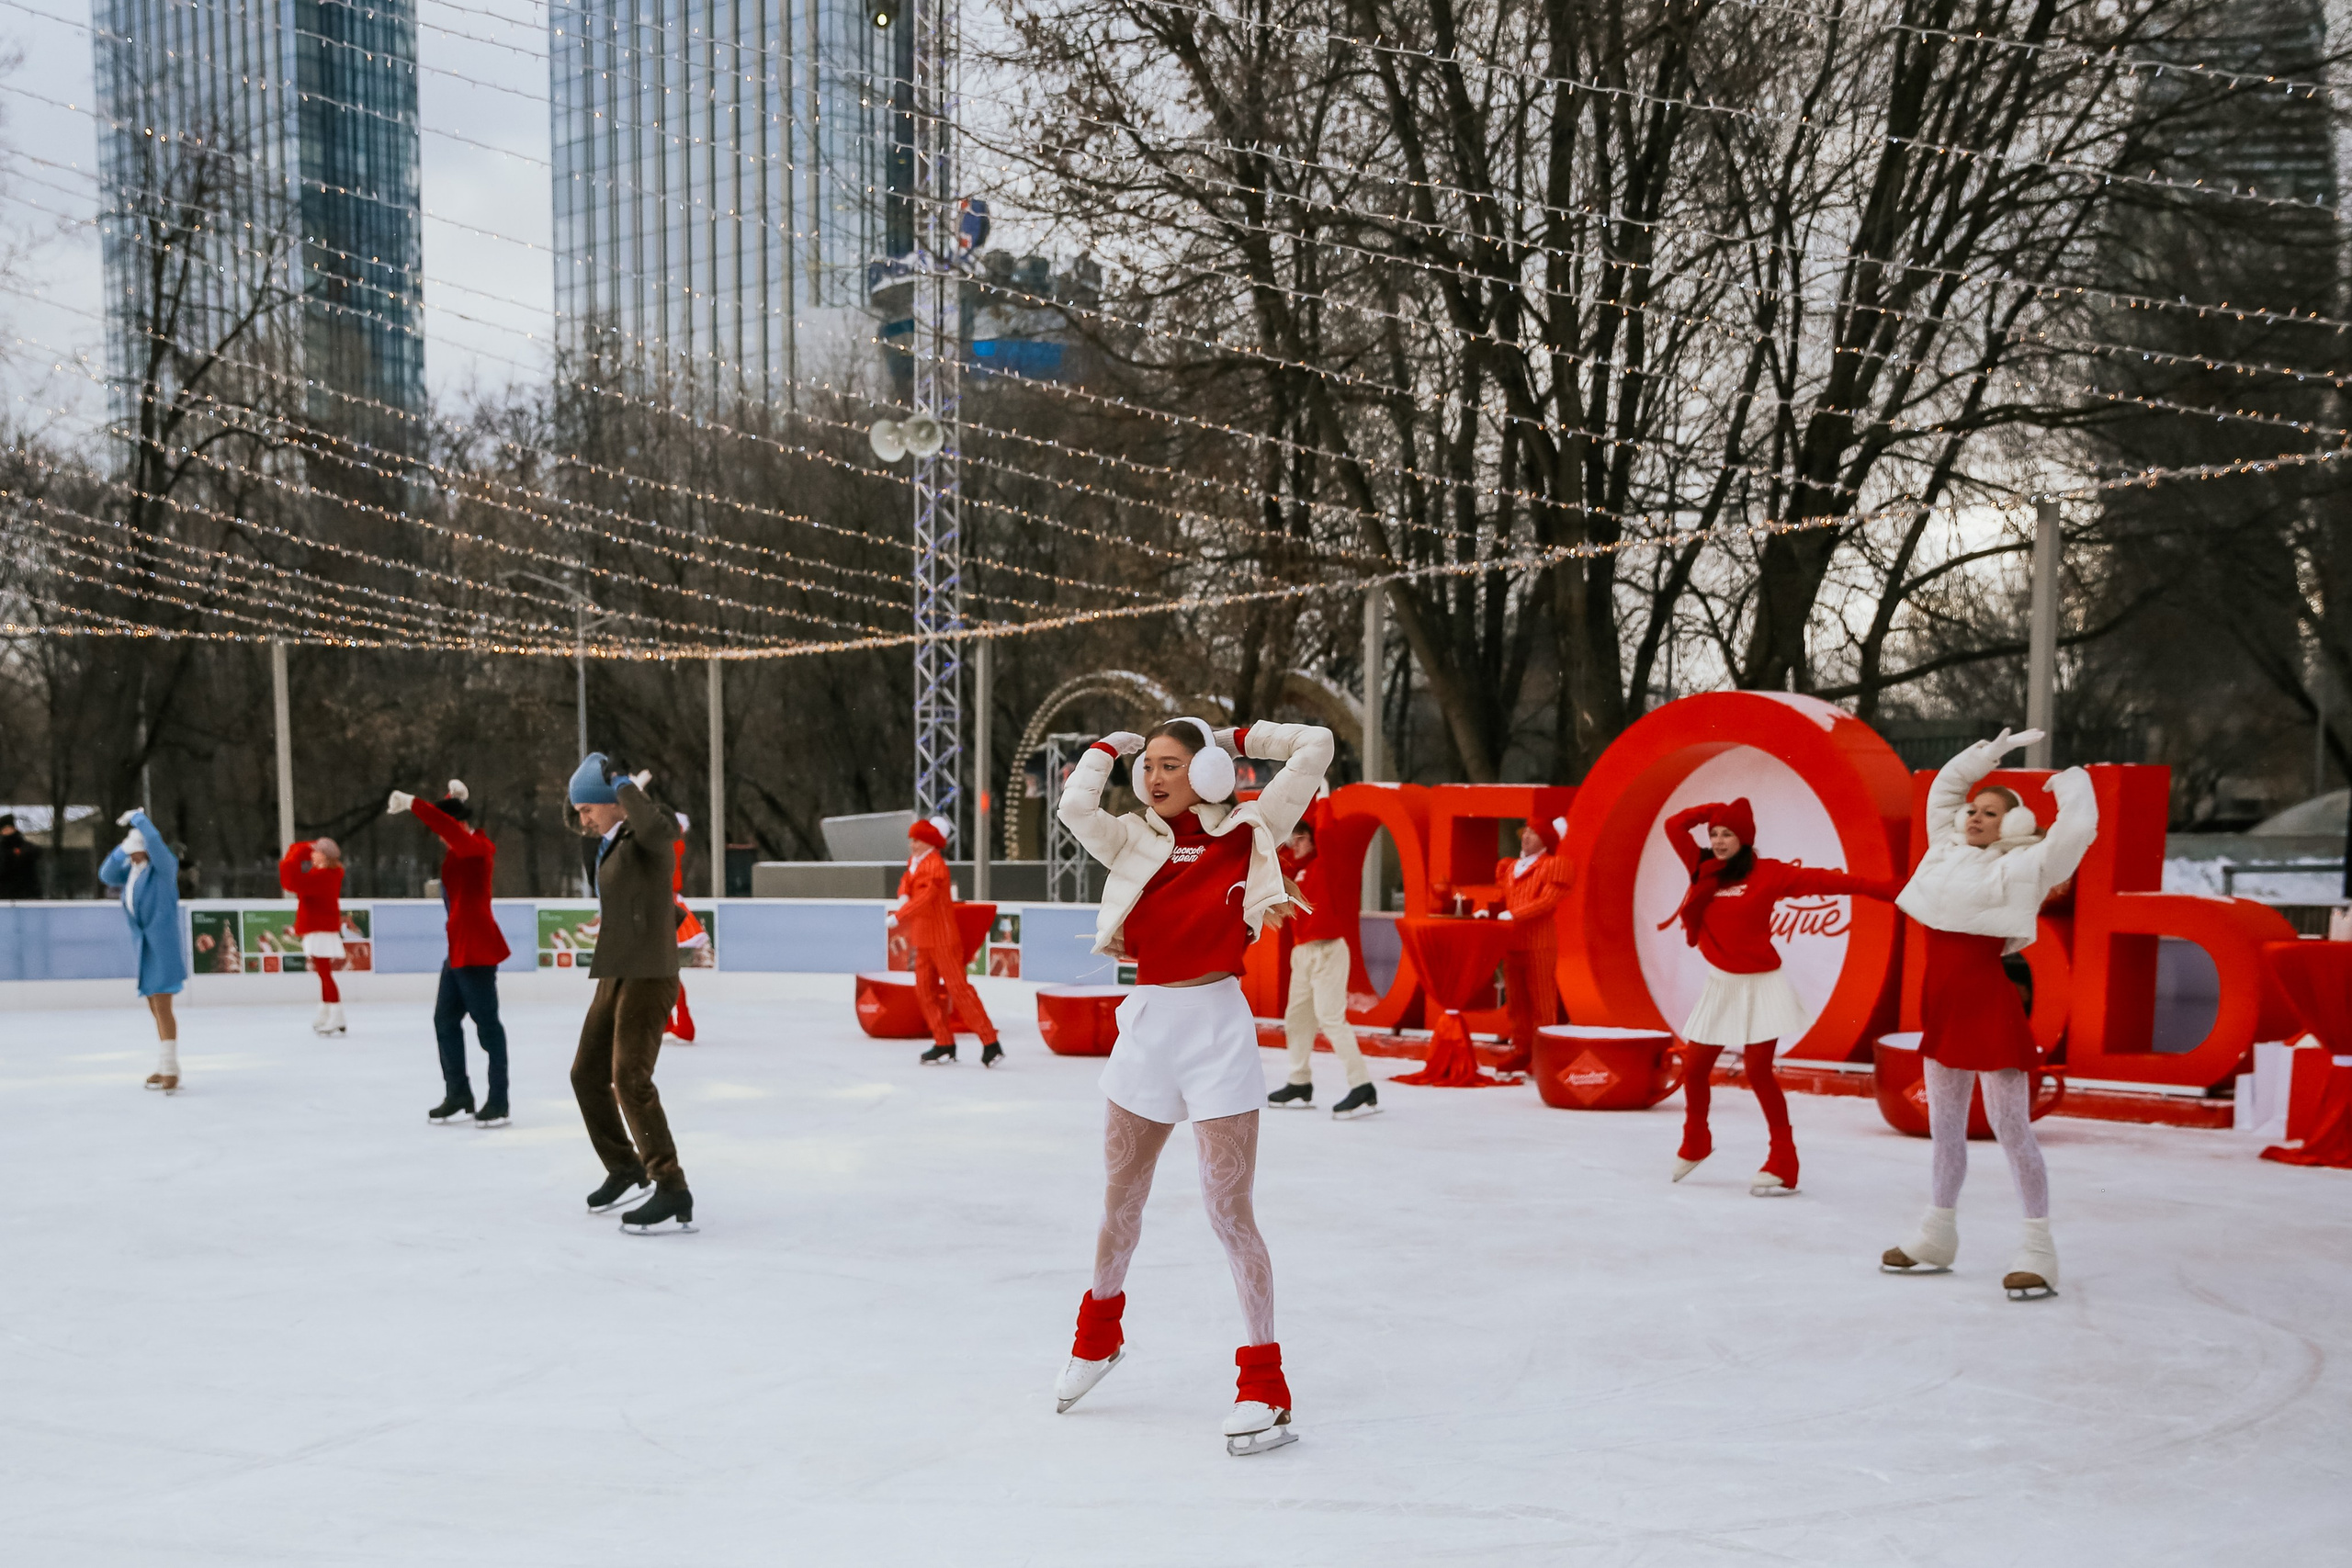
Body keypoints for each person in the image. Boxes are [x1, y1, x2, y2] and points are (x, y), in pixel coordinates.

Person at [1052, 716, 1332, 1457]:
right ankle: (1098, 1336)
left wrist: (1239, 739)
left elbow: (1317, 746)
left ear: (1204, 770)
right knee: (1121, 1200)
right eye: (1150, 767)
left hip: (1216, 1031)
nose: (1156, 778)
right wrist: (1107, 750)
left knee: (1228, 1210)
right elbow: (1074, 808)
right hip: (1146, 1027)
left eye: (1172, 765)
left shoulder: (1251, 828)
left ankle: (1265, 1384)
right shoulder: (1131, 836)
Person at [1882, 727, 2096, 1301]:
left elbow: (2075, 832)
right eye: (1974, 809)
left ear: (2015, 825)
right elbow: (1944, 791)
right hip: (1943, 1007)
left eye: (1991, 812)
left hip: (1989, 1009)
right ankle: (1937, 1234)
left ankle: (2038, 1248)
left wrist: (2071, 784)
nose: (1975, 816)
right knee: (1944, 1131)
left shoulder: (2026, 866)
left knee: (2010, 1129)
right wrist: (1988, 756)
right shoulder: (1942, 849)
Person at [1659, 797, 1899, 1196]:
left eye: (1728, 833)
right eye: (1714, 833)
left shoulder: (1768, 874)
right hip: (1722, 984)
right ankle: (1696, 1140)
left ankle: (1784, 1159)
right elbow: (1673, 826)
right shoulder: (1703, 868)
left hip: (1761, 984)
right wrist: (1714, 810)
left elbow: (1831, 881)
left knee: (1757, 1072)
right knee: (1696, 1067)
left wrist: (1889, 890)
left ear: (1745, 838)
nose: (1718, 841)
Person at [566, 752, 695, 1234]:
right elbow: (581, 820)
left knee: (629, 1077)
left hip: (650, 972)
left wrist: (621, 786)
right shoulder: (611, 842)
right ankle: (625, 1166)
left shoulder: (649, 838)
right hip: (615, 973)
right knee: (586, 1074)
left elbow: (661, 830)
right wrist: (592, 793)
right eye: (580, 811)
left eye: (588, 809)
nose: (583, 819)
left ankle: (671, 1184)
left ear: (616, 803)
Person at [389, 780, 512, 1126]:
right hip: (458, 951)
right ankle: (459, 1093)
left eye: (446, 830)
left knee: (487, 1028)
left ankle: (499, 1100)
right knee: (444, 1020)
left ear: (458, 827)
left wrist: (414, 803)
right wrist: (453, 799)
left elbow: (445, 823)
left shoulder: (476, 848)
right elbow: (447, 819)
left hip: (477, 951)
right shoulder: (462, 846)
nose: (440, 837)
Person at [1265, 804, 1377, 1118]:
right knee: (1297, 1019)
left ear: (1314, 840)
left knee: (1330, 1018)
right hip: (1302, 953)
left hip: (1329, 949)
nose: (1295, 845)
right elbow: (1269, 862)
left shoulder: (1326, 863)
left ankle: (1362, 1085)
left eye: (1300, 839)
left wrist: (1324, 797)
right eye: (1293, 840)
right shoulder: (1292, 871)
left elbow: (1326, 832)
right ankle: (1299, 1081)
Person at [893, 816, 1001, 1066]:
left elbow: (925, 897)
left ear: (929, 842)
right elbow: (906, 885)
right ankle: (943, 1041)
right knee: (924, 990)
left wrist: (900, 915)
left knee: (959, 990)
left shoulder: (935, 866)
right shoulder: (915, 863)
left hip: (942, 939)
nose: (912, 844)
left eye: (916, 840)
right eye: (911, 839)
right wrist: (902, 897)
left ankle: (989, 1041)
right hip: (924, 939)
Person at [99, 808, 185, 1092]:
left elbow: (157, 843)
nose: (134, 857)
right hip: (145, 949)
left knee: (161, 1005)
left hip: (162, 946)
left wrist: (139, 819)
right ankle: (165, 1063)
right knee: (154, 1005)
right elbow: (106, 873)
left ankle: (170, 1069)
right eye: (131, 853)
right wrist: (124, 847)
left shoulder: (163, 870)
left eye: (138, 851)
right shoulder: (131, 874)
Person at [1491, 813, 1574, 1074]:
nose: (1526, 837)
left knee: (1542, 1002)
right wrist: (1490, 912)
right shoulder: (1511, 867)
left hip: (1539, 943)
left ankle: (1544, 1054)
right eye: (1525, 832)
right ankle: (1522, 1050)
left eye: (1533, 833)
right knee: (1516, 1003)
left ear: (1546, 840)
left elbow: (1547, 902)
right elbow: (1503, 898)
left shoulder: (1554, 865)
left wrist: (1515, 914)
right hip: (1512, 942)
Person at [277, 836, 349, 1037]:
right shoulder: (323, 873)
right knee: (323, 973)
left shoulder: (325, 876)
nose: (311, 853)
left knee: (325, 973)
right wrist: (302, 848)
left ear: (324, 856)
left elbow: (291, 882)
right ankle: (328, 1010)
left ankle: (336, 1013)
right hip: (319, 927)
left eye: (315, 851)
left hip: (320, 929)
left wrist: (294, 855)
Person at [662, 816, 701, 1045]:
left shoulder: (669, 845)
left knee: (665, 970)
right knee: (664, 970)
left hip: (664, 907)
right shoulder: (673, 845)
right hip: (667, 904)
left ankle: (679, 1022)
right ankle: (672, 1021)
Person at [0, 813, 41, 898]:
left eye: (9, 828)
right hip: (4, 896)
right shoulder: (2, 849)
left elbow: (36, 854)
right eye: (4, 829)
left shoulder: (26, 847)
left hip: (26, 895)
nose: (7, 831)